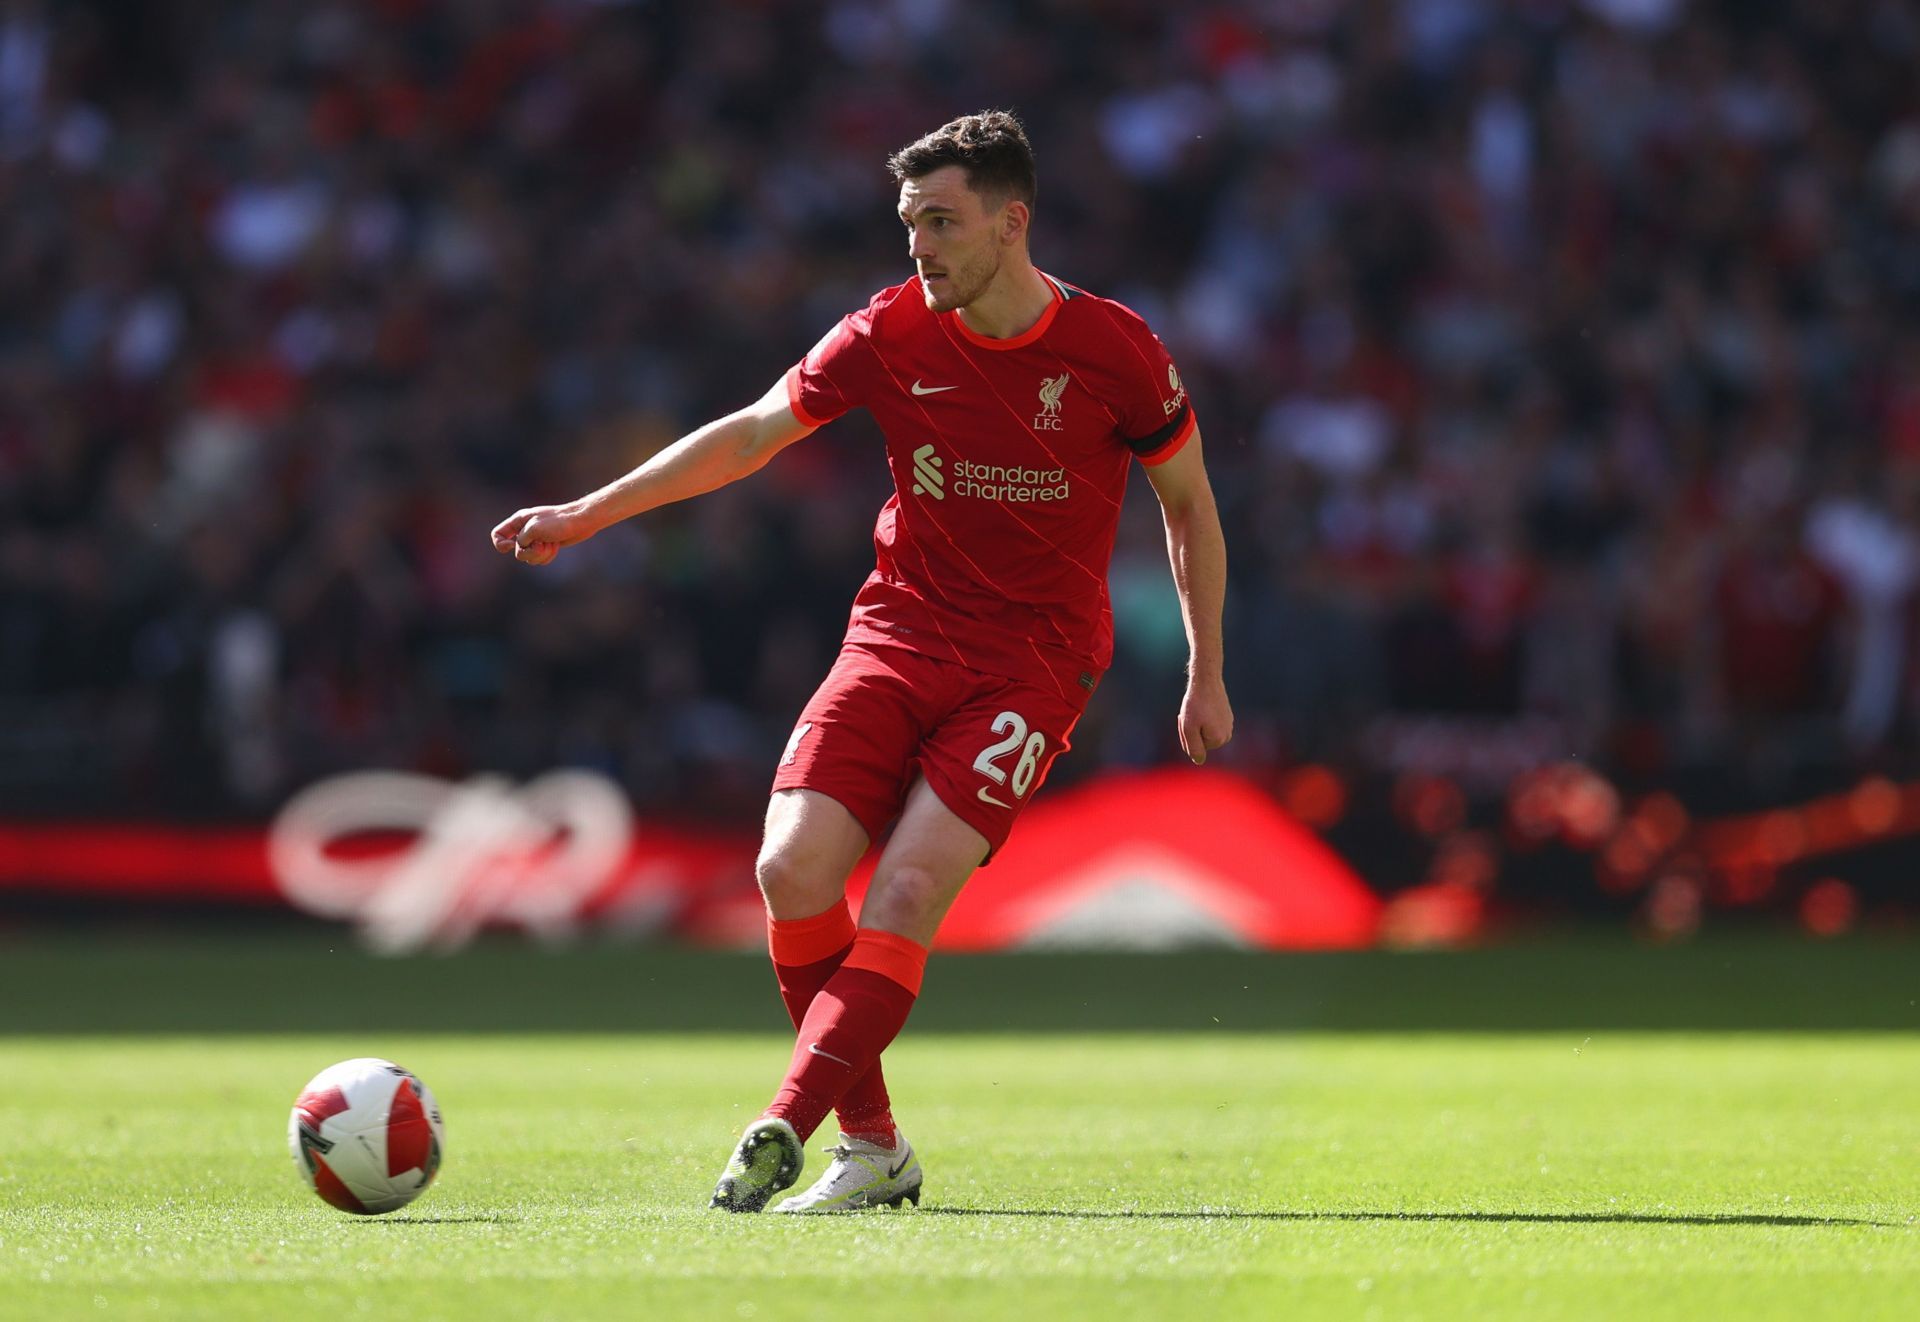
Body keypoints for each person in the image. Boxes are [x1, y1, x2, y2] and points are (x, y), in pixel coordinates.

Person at [491, 110, 1232, 1213]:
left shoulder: (1116, 351)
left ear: (1010, 222)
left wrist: (1204, 668)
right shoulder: (888, 331)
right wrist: (589, 514)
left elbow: (1189, 507)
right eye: (908, 224)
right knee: (788, 870)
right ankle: (875, 1147)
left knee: (911, 883)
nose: (920, 246)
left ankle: (783, 1122)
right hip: (897, 634)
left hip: (1033, 663)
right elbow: (751, 432)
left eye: (941, 221)